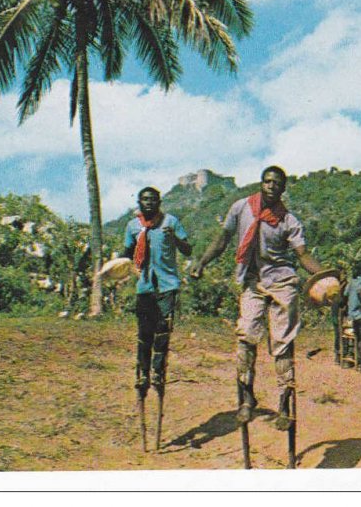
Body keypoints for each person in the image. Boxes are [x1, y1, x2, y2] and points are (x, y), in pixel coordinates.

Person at [191, 166, 323, 430]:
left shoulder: (289, 221)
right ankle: (247, 397)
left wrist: (326, 275)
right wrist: (202, 261)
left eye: (277, 183)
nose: (271, 186)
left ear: (283, 188)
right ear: (261, 183)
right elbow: (223, 239)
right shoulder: (241, 208)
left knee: (282, 344)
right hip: (253, 280)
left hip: (282, 281)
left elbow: (303, 255)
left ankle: (284, 402)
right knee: (247, 336)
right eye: (267, 181)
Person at [122, 186, 192, 395]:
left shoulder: (170, 222)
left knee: (163, 331)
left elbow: (188, 249)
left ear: (159, 202)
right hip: (144, 286)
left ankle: (158, 372)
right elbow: (126, 252)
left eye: (153, 199)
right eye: (145, 199)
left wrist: (175, 238)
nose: (149, 203)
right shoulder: (133, 226)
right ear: (139, 203)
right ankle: (142, 373)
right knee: (144, 332)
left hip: (167, 285)